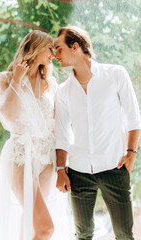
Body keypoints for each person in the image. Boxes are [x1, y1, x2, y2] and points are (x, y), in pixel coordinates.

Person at [55, 26, 141, 240]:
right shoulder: (63, 91)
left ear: (75, 47)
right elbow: (62, 133)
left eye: (59, 49)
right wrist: (60, 169)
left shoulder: (116, 75)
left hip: (114, 167)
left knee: (124, 233)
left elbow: (133, 117)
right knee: (83, 234)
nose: (55, 56)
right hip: (78, 171)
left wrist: (131, 152)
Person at [0, 30, 58, 240]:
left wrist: (62, 162)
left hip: (47, 158)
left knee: (31, 226)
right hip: (20, 154)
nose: (53, 53)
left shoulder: (50, 84)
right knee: (46, 228)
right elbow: (8, 116)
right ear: (35, 47)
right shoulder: (5, 79)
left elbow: (56, 125)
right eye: (49, 48)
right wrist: (17, 80)